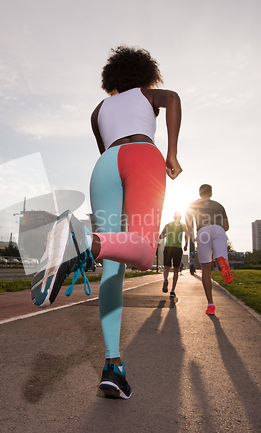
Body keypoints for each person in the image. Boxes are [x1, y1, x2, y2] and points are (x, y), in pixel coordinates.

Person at [31, 46, 182, 399]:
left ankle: (113, 365)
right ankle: (84, 239)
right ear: (144, 73)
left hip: (105, 167)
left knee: (114, 267)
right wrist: (172, 151)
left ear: (111, 78)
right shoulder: (146, 94)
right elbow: (172, 98)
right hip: (142, 155)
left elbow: (106, 151)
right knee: (144, 252)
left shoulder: (98, 110)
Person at [185, 184, 232, 316]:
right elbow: (226, 226)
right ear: (211, 194)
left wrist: (191, 234)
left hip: (203, 231)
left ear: (199, 193)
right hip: (219, 229)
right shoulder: (219, 206)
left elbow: (189, 224)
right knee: (220, 258)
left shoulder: (192, 205)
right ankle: (220, 261)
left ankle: (210, 305)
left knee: (206, 268)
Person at [159, 212, 188, 298]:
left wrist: (164, 236)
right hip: (177, 248)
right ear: (180, 217)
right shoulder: (182, 225)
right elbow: (186, 235)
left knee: (166, 268)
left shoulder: (167, 225)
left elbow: (160, 236)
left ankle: (165, 279)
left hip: (168, 247)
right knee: (176, 270)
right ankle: (172, 290)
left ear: (173, 217)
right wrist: (186, 244)